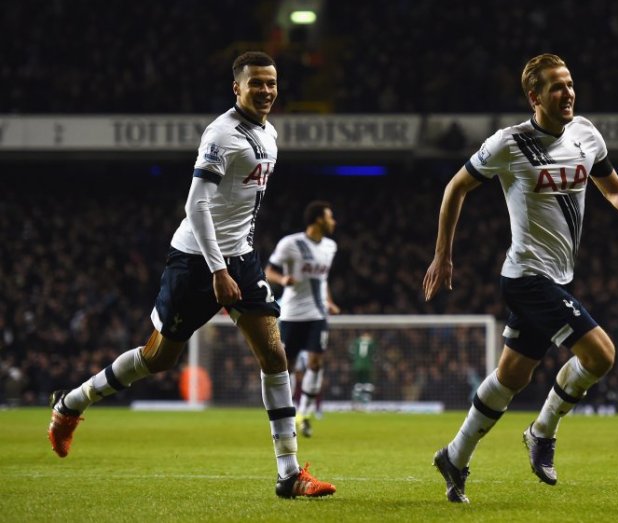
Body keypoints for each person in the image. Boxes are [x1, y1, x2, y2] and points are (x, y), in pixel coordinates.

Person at [47, 51, 335, 499]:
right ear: (236, 88)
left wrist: (234, 262)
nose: (265, 90)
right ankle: (72, 404)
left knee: (275, 358)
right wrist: (218, 270)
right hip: (197, 261)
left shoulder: (270, 133)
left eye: (271, 83)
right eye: (256, 83)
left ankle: (289, 475)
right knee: (159, 359)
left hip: (241, 257)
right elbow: (196, 204)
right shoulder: (221, 135)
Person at [423, 53, 618, 503]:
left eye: (570, 83)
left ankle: (454, 456)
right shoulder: (509, 143)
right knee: (601, 356)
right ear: (535, 97)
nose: (568, 92)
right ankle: (542, 431)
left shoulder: (585, 134)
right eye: (556, 86)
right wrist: (443, 255)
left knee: (510, 378)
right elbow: (455, 186)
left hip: (556, 278)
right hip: (526, 277)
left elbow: (610, 185)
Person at [265, 201, 340, 438]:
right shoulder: (291, 243)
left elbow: (323, 280)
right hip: (291, 314)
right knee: (286, 365)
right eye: (330, 217)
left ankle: (305, 414)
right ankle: (287, 412)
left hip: (318, 313)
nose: (333, 221)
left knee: (316, 362)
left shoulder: (330, 246)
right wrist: (283, 280)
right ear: (318, 219)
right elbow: (269, 271)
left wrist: (329, 301)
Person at [349, 331, 377, 410]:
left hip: (357, 365)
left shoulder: (356, 341)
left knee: (358, 383)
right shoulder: (372, 343)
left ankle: (356, 401)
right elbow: (375, 356)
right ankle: (365, 403)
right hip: (367, 366)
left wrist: (356, 359)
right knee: (367, 384)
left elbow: (351, 352)